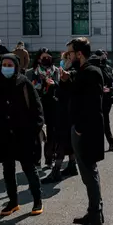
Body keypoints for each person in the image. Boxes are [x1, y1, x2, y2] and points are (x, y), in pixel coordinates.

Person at [0, 54, 45, 217]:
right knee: (8, 170)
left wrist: (34, 130)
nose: (6, 67)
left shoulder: (24, 83)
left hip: (23, 134)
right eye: (4, 64)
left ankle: (37, 200)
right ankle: (13, 202)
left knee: (29, 168)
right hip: (4, 134)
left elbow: (37, 108)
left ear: (16, 67)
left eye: (10, 65)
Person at [60, 37, 106, 225]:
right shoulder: (81, 72)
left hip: (86, 131)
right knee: (88, 175)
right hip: (81, 129)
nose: (67, 57)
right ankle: (93, 213)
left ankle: (95, 220)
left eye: (70, 53)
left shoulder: (91, 72)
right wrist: (65, 80)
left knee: (89, 174)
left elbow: (92, 106)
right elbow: (73, 95)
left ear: (79, 54)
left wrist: (79, 129)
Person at [42, 51, 79, 184]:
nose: (64, 61)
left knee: (61, 141)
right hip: (68, 111)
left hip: (66, 112)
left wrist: (55, 85)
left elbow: (67, 91)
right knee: (68, 140)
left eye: (67, 57)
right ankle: (72, 165)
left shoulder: (72, 72)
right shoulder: (72, 70)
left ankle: (56, 170)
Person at [27, 49, 60, 169]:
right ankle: (36, 161)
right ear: (38, 59)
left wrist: (54, 84)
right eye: (43, 57)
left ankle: (49, 159)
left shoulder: (56, 71)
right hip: (36, 106)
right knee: (36, 134)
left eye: (48, 57)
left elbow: (60, 86)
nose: (46, 59)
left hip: (52, 105)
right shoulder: (31, 72)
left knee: (51, 134)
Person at [89, 49, 113, 153]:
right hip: (98, 98)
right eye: (102, 56)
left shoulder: (108, 67)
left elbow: (112, 79)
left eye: (105, 55)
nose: (105, 57)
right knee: (101, 121)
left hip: (107, 98)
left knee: (105, 121)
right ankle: (108, 144)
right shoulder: (94, 68)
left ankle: (110, 144)